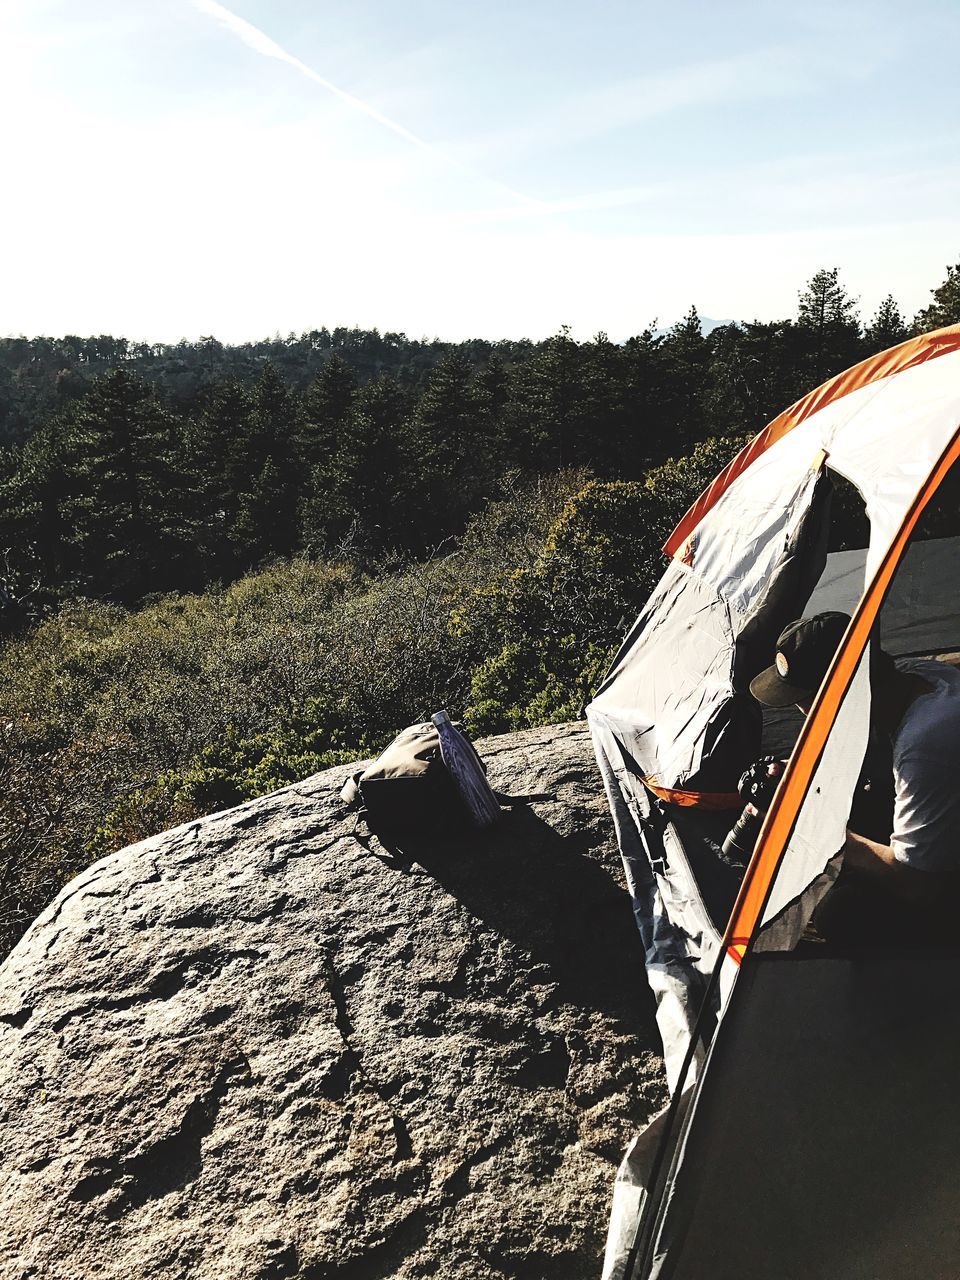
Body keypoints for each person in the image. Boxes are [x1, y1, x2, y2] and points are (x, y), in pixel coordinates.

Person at [749, 611, 960, 941]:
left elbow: (918, 885)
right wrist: (800, 771)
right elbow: (863, 742)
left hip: (932, 884)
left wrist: (813, 831)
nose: (802, 712)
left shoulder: (924, 743)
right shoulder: (909, 677)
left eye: (805, 701)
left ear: (845, 693)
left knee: (840, 911)